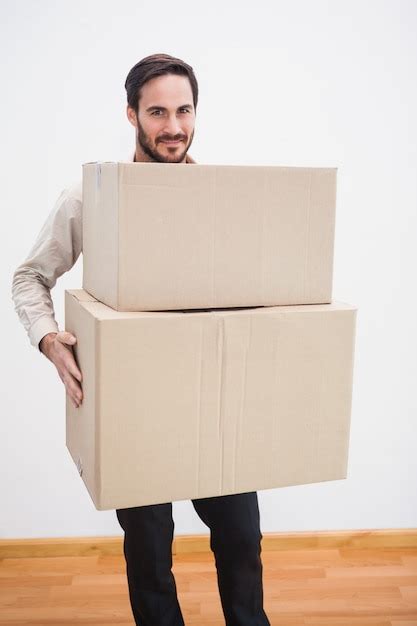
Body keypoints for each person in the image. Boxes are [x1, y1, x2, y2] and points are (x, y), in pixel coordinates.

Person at [11, 53, 271, 626]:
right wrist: (48, 339)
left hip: (212, 401)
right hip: (135, 407)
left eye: (183, 110)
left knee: (241, 541)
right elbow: (30, 276)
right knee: (150, 551)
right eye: (157, 112)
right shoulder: (90, 196)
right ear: (131, 114)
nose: (173, 126)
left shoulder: (223, 197)